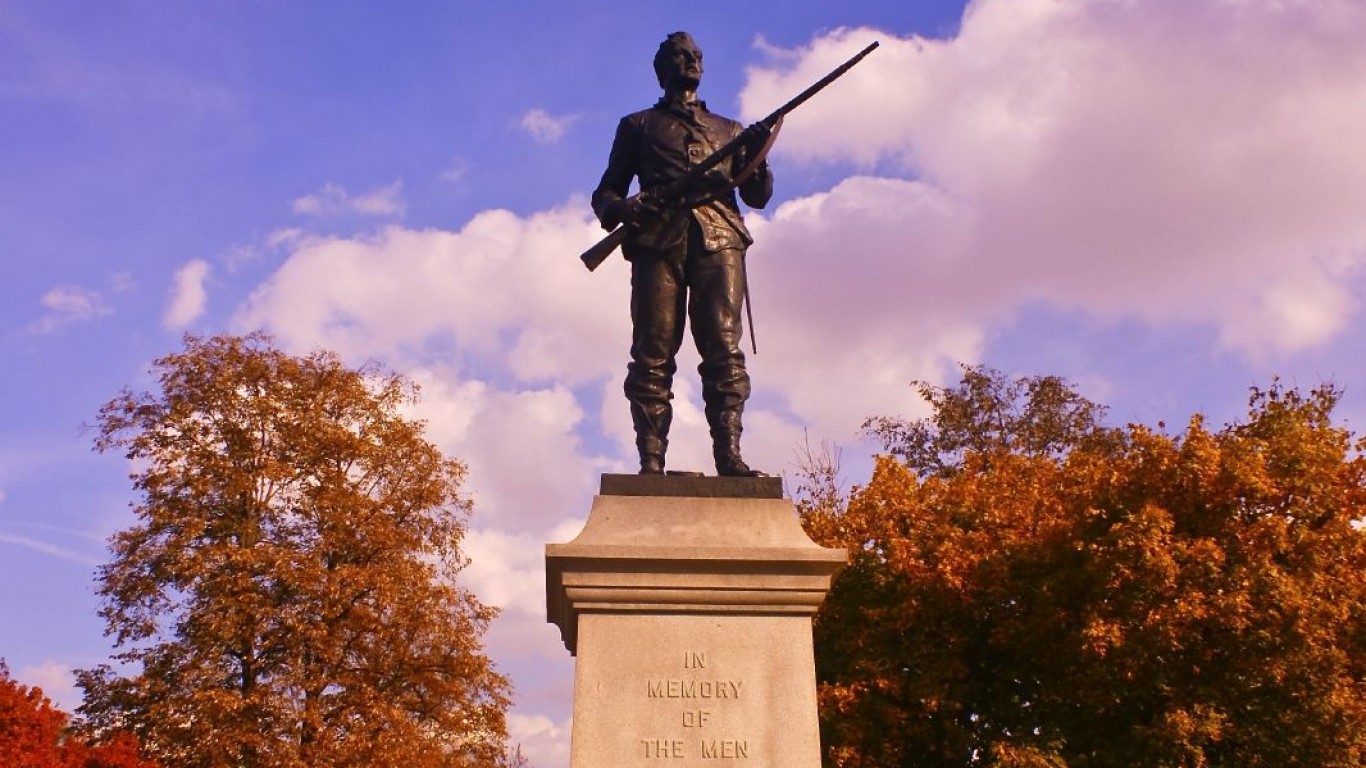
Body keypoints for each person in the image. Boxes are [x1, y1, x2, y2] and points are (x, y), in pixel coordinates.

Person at [592, 31, 774, 477]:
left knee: (723, 351)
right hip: (659, 241)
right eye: (681, 55)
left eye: (696, 56)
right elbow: (605, 192)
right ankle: (651, 462)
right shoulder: (637, 126)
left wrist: (759, 154)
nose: (691, 61)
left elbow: (758, 196)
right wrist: (624, 207)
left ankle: (729, 457)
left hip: (719, 238)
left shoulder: (729, 130)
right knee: (652, 353)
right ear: (662, 69)